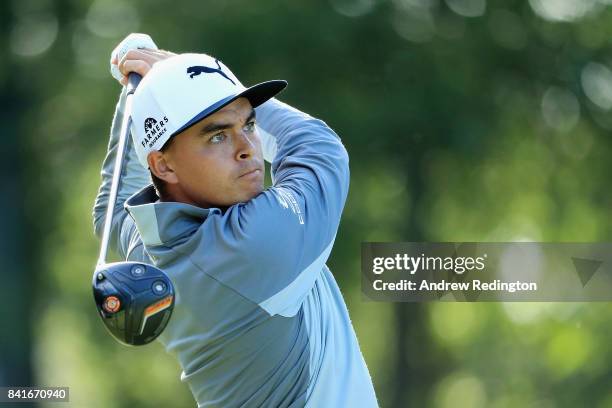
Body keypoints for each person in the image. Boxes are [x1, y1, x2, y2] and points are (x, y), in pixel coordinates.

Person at [92, 40, 379, 407]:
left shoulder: (149, 246)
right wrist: (175, 69)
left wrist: (140, 95)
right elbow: (318, 147)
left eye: (250, 123)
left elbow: (113, 210)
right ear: (163, 165)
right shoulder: (256, 243)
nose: (247, 148)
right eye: (217, 135)